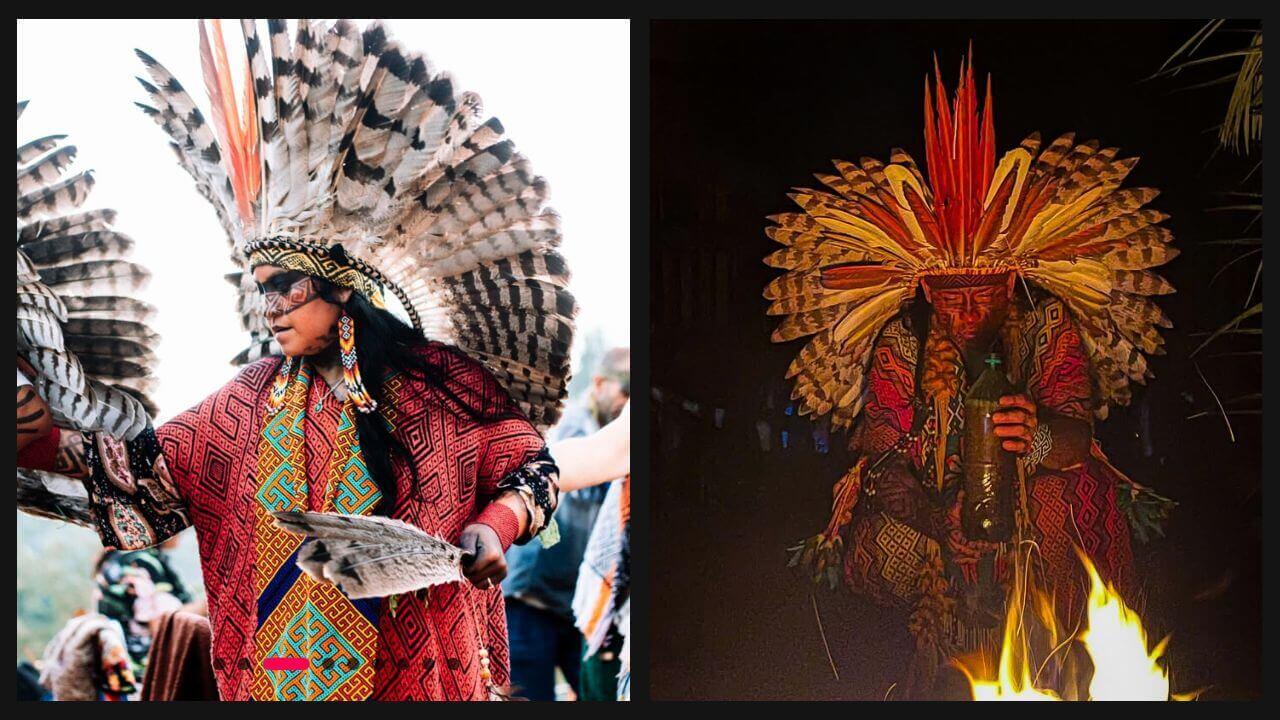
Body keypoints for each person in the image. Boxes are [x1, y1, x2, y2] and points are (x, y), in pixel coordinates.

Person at [19, 18, 576, 701]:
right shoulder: (243, 403)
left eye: (286, 286)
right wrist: (41, 439)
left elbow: (532, 468)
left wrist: (495, 528)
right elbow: (141, 474)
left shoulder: (444, 386)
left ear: (342, 286)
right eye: (261, 292)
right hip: (282, 680)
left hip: (424, 679)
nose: (271, 308)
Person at [770, 56, 1176, 696]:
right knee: (887, 544)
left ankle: (1070, 671)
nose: (966, 313)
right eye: (950, 299)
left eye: (982, 295)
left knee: (1057, 500)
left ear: (1010, 282)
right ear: (928, 294)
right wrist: (923, 504)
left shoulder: (1047, 325)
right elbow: (880, 453)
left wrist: (1036, 436)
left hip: (1033, 519)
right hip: (938, 527)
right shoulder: (902, 342)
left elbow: (1078, 437)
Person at [504, 348, 629, 700]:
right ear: (600, 384)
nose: (629, 400)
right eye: (627, 387)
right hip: (533, 601)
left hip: (576, 605)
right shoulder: (571, 425)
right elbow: (564, 462)